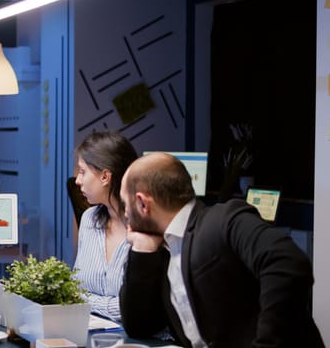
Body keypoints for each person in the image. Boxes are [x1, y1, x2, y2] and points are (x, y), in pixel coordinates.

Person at [118, 152, 324, 347]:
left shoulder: (225, 219)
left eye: (125, 204)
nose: (124, 213)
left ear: (142, 203)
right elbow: (140, 327)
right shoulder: (163, 249)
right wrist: (142, 252)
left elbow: (288, 264)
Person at [71, 131, 137, 322]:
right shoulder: (89, 220)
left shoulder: (146, 227)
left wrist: (87, 301)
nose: (77, 180)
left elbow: (135, 307)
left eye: (83, 171)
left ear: (105, 177)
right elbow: (75, 289)